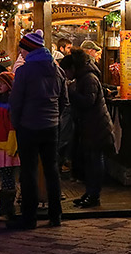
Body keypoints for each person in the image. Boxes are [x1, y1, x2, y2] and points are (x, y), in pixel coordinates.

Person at [7, 30, 64, 229]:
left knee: (29, 171)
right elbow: (63, 99)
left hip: (29, 126)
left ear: (28, 49)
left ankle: (29, 217)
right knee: (52, 170)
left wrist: (17, 122)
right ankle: (56, 215)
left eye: (22, 49)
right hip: (51, 126)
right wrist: (56, 116)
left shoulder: (24, 71)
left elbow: (16, 101)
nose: (20, 53)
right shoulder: (56, 69)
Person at [66, 49, 114, 209]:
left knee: (95, 161)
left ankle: (94, 195)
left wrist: (71, 92)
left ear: (73, 68)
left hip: (96, 126)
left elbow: (88, 101)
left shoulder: (89, 78)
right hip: (89, 126)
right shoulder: (83, 78)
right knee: (89, 161)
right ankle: (90, 193)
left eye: (67, 71)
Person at [0, 72, 18, 219]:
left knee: (7, 175)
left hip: (8, 143)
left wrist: (13, 141)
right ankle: (5, 205)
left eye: (3, 83)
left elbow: (11, 124)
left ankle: (8, 206)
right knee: (2, 174)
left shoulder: (10, 103)